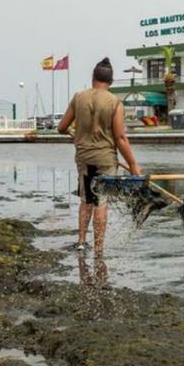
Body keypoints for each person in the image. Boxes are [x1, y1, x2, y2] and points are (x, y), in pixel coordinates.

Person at [57, 57, 142, 252]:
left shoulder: (79, 98)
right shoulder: (115, 102)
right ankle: (98, 248)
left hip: (85, 157)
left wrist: (74, 135)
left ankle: (80, 241)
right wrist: (133, 165)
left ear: (93, 77)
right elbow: (120, 138)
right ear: (110, 82)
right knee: (101, 201)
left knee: (87, 199)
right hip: (105, 158)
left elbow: (61, 127)